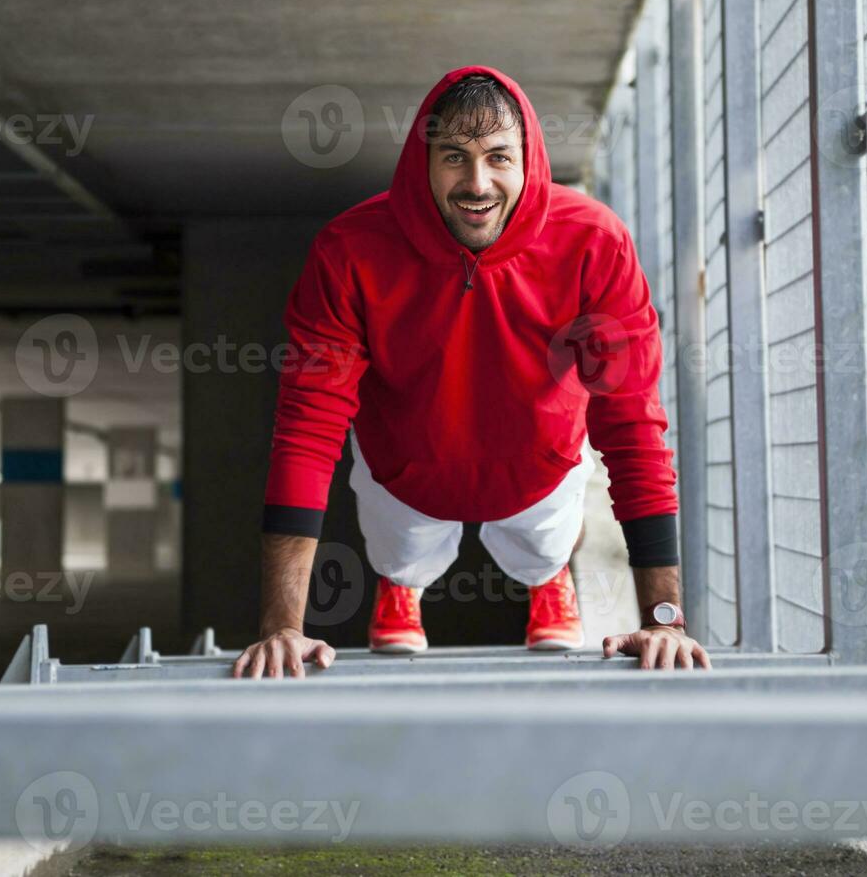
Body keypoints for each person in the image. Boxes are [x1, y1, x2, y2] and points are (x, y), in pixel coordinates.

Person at [232, 65, 710, 678]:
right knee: (401, 548)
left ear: (529, 160)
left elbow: (632, 424)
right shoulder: (349, 251)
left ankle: (547, 580)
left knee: (542, 543)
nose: (477, 182)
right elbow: (307, 429)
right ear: (421, 162)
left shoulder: (593, 242)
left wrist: (664, 620)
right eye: (454, 156)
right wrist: (282, 629)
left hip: (541, 458)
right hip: (405, 461)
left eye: (498, 158)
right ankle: (401, 586)